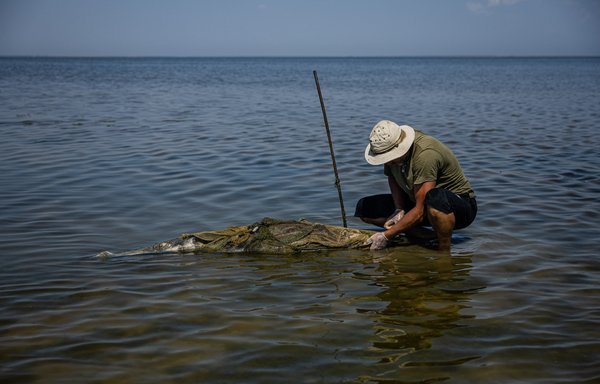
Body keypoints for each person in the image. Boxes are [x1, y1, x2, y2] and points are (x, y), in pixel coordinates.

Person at [357, 120, 477, 251]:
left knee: (435, 197)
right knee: (364, 208)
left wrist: (386, 236)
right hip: (418, 201)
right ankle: (424, 235)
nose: (388, 162)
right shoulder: (390, 152)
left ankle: (444, 249)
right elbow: (393, 178)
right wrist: (399, 209)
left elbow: (419, 211)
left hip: (458, 207)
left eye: (389, 158)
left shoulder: (425, 154)